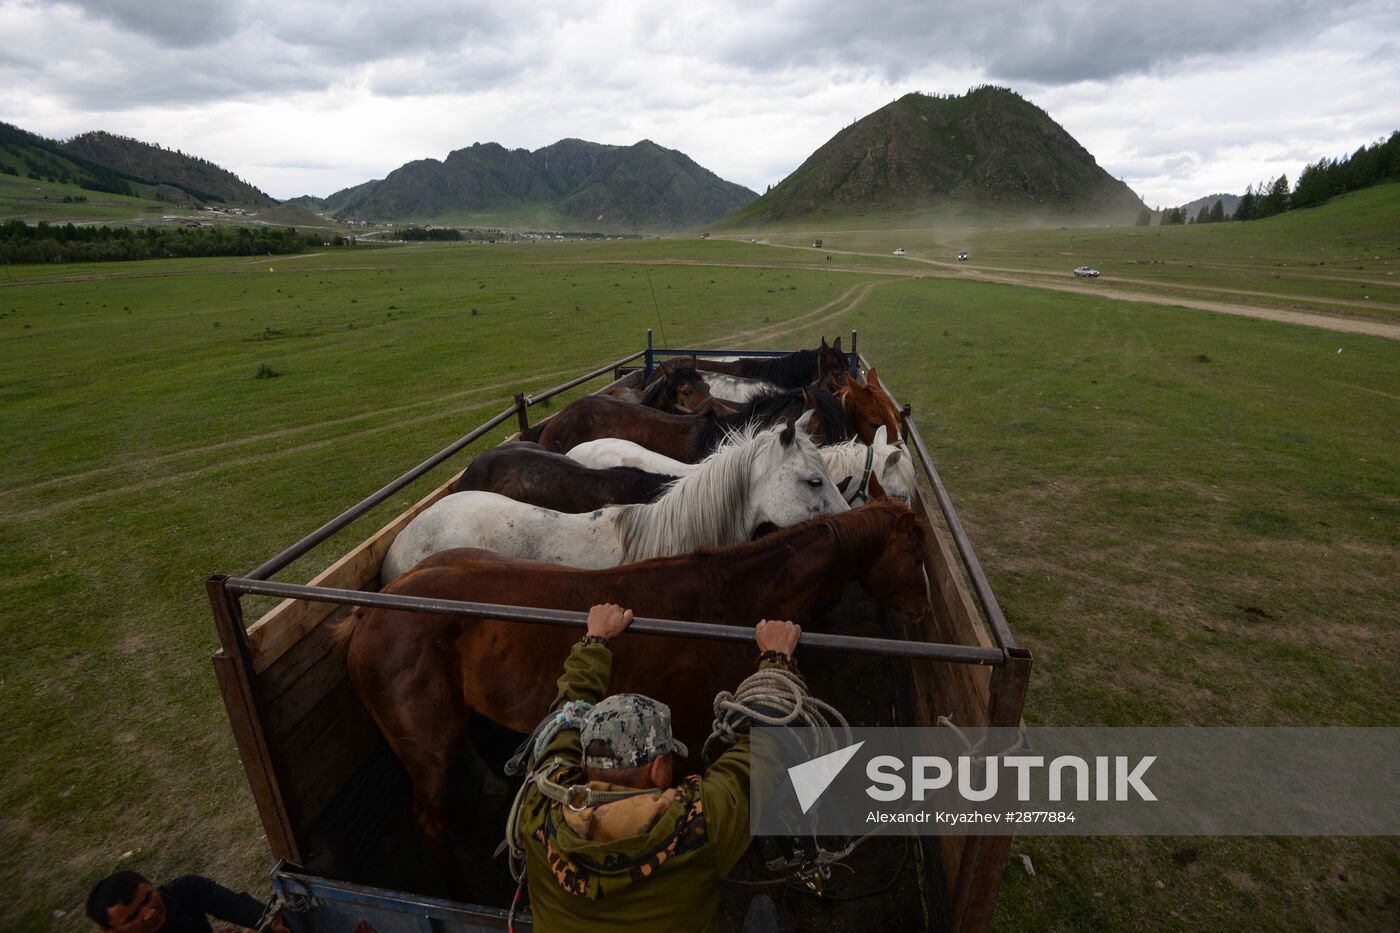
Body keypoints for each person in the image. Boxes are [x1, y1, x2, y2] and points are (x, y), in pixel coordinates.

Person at [513, 603, 802, 932]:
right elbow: (763, 752)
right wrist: (777, 659)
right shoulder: (701, 824)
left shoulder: (541, 803)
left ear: (582, 763)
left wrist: (594, 641)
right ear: (659, 769)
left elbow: (566, 713)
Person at [84, 870, 289, 933]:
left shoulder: (184, 890)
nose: (149, 912)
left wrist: (271, 923)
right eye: (132, 916)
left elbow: (237, 907)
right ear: (109, 930)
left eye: (148, 898)